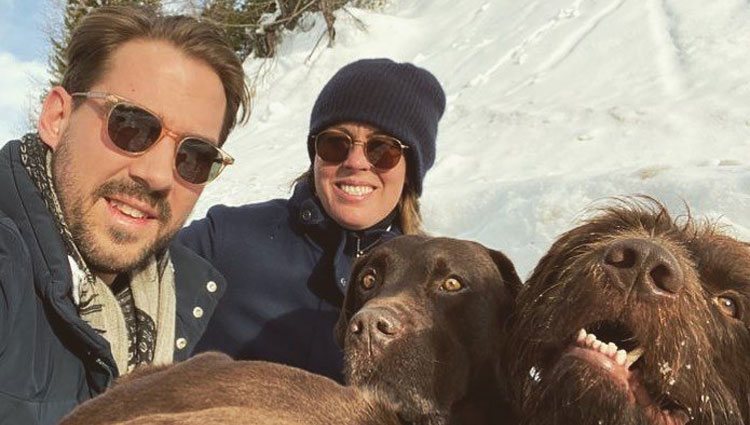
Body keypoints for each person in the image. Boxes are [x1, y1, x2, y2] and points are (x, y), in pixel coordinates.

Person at [0, 6, 249, 424]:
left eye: (194, 156)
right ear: (57, 118)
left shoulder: (184, 305)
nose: (156, 176)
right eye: (131, 126)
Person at [179, 58, 446, 381]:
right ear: (315, 153)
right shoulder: (228, 239)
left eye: (382, 150)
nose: (356, 161)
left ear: (410, 171)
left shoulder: (433, 283)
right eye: (336, 143)